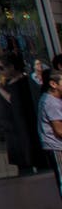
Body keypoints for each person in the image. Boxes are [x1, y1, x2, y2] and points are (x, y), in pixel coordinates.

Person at [0, 55, 43, 176]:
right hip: (14, 130)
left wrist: (0, 89)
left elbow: (14, 100)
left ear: (11, 67)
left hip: (25, 130)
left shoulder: (23, 83)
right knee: (23, 166)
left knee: (34, 161)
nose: (0, 72)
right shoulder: (9, 83)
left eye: (1, 68)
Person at [41, 69, 62, 200]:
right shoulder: (51, 102)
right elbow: (59, 130)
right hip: (57, 147)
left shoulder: (56, 99)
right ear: (53, 84)